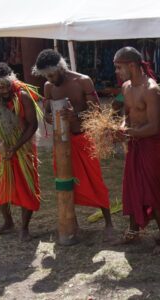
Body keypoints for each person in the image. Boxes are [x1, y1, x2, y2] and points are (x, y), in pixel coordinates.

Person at [32, 49, 117, 242]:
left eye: (52, 74)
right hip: (61, 142)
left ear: (61, 67)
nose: (50, 79)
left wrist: (75, 115)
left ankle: (109, 223)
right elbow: (46, 110)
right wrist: (47, 115)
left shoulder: (83, 81)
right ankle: (72, 222)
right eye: (46, 76)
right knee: (65, 181)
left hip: (83, 138)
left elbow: (96, 112)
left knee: (95, 180)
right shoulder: (48, 86)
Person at [113, 46, 160, 252]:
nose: (117, 72)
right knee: (131, 186)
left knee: (152, 190)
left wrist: (127, 132)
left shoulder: (151, 89)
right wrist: (122, 127)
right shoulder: (126, 87)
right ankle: (133, 232)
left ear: (132, 65)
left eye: (119, 67)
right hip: (134, 142)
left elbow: (154, 127)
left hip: (151, 145)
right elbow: (127, 115)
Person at [0, 62, 41, 241]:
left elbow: (33, 124)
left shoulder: (23, 96)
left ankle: (25, 228)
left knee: (27, 186)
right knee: (1, 185)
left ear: (11, 80)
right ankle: (8, 222)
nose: (4, 90)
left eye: (6, 85)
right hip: (3, 147)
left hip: (24, 146)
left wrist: (17, 146)